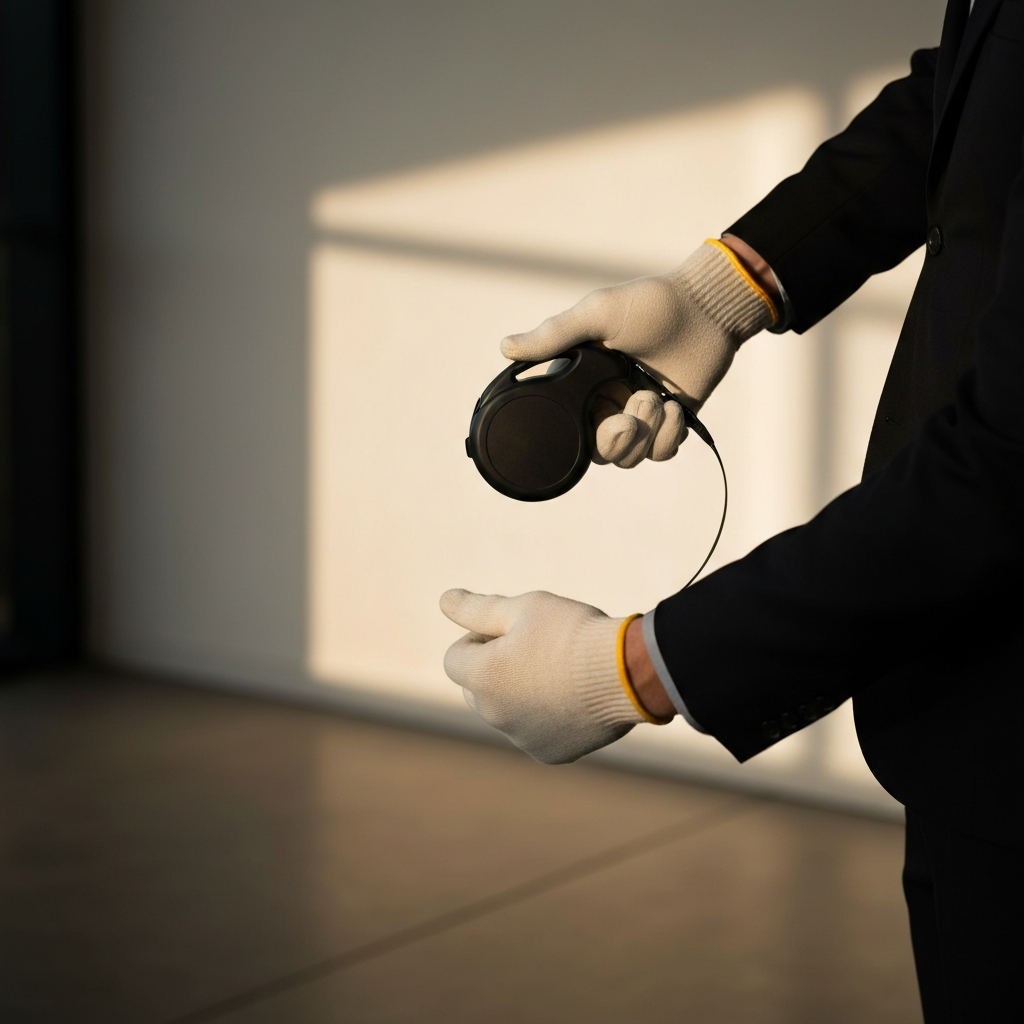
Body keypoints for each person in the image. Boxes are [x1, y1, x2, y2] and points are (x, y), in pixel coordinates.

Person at [440, 1, 1023, 1019]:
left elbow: (1009, 464)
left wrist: (636, 667)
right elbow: (969, 90)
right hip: (966, 724)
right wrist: (725, 287)